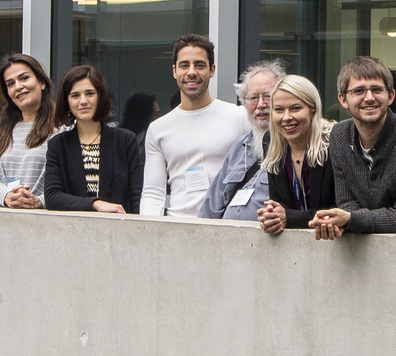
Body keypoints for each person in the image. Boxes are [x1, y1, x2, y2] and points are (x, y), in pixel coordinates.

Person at [312, 56, 396, 238]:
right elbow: (347, 203)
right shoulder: (339, 135)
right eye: (358, 91)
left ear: (390, 96)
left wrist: (351, 220)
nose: (369, 98)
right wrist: (342, 219)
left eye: (376, 90)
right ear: (343, 99)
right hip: (363, 252)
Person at [140, 35, 251, 217]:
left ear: (212, 70)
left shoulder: (239, 117)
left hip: (225, 227)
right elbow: (153, 192)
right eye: (184, 65)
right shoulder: (158, 129)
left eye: (199, 65)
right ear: (174, 71)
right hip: (177, 227)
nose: (191, 72)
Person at [197, 58, 290, 218]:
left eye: (268, 96)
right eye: (253, 98)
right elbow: (211, 206)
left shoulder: (294, 147)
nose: (261, 105)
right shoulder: (239, 147)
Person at [44, 65, 143, 213]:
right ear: (67, 102)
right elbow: (52, 197)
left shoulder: (125, 140)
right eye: (75, 95)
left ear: (100, 96)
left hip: (120, 229)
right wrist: (94, 204)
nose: (83, 101)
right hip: (73, 231)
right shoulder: (58, 145)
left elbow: (137, 195)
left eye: (89, 93)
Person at [253, 75, 335, 236]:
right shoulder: (270, 142)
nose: (286, 117)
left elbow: (340, 211)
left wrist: (290, 218)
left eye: (295, 108)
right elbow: (279, 206)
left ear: (313, 110)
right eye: (279, 110)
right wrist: (272, 217)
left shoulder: (335, 142)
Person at [0, 54, 61, 208]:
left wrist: (39, 201)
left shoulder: (61, 126)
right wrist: (7, 197)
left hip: (44, 220)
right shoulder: (2, 126)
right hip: (3, 219)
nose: (18, 86)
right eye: (10, 84)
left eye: (24, 78)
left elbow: (69, 183)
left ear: (41, 82)